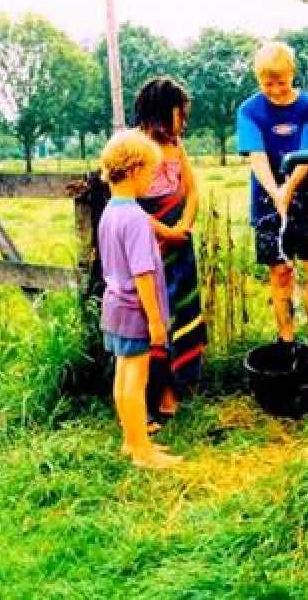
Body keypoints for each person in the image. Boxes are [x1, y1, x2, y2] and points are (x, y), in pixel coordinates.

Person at [237, 41, 308, 348]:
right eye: (268, 83)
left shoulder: (307, 106)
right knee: (280, 271)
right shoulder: (249, 110)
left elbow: (306, 153)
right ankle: (287, 340)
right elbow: (257, 156)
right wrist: (275, 193)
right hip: (266, 199)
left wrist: (289, 189)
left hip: (307, 197)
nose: (276, 90)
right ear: (257, 79)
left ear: (292, 73)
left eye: (281, 82)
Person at [98, 129, 181, 469]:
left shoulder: (111, 211)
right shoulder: (134, 217)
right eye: (150, 171)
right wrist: (156, 320)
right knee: (136, 381)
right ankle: (143, 452)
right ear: (133, 170)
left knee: (122, 378)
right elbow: (143, 274)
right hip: (135, 311)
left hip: (114, 307)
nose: (152, 178)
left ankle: (132, 443)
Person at [133, 76, 207, 429]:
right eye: (180, 113)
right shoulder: (135, 148)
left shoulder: (178, 147)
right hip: (147, 248)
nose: (184, 121)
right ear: (162, 112)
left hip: (180, 245)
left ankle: (174, 389)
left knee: (181, 311)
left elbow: (191, 192)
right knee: (152, 318)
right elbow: (126, 203)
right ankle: (149, 394)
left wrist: (183, 228)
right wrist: (164, 231)